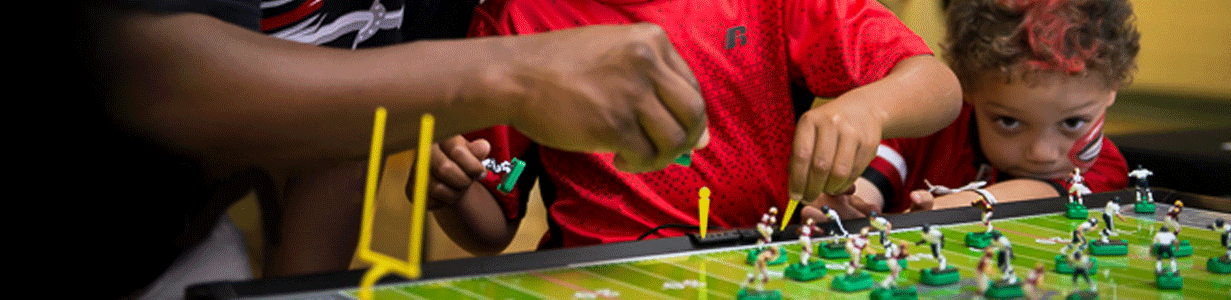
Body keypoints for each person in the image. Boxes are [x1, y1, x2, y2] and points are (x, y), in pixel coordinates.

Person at [72, 0, 710, 297]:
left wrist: (303, 290)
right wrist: (510, 75)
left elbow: (343, 122)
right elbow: (137, 71)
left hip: (188, 251)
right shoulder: (519, 26)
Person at [415, 0, 963, 252]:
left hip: (760, 266)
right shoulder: (516, 23)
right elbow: (491, 227)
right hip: (592, 275)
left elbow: (939, 86)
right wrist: (450, 191)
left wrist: (871, 108)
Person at [803, 0, 1138, 219]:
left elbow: (1043, 197)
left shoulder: (1102, 169)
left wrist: (949, 210)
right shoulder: (931, 131)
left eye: (1073, 122)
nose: (1042, 153)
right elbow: (870, 181)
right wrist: (846, 206)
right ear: (967, 88)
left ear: (1113, 90)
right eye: (1008, 121)